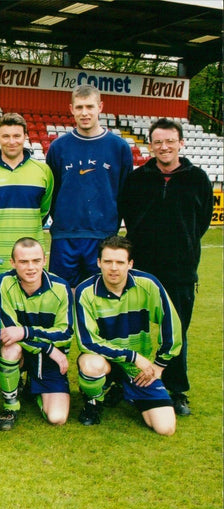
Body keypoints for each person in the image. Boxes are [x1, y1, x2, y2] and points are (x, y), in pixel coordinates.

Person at [118, 118, 214, 416]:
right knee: (134, 329)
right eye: (158, 142)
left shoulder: (198, 178)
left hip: (181, 271)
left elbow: (202, 222)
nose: (164, 147)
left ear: (180, 143)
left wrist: (181, 247)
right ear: (150, 145)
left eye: (170, 141)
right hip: (143, 269)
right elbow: (129, 216)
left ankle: (176, 390)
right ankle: (125, 382)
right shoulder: (137, 178)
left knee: (176, 332)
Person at [74, 235, 181, 435]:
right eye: (107, 261)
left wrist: (159, 365)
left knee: (165, 428)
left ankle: (125, 390)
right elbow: (87, 342)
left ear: (130, 264)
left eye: (120, 262)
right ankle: (93, 401)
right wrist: (133, 356)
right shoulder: (85, 291)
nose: (113, 268)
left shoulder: (148, 284)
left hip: (138, 369)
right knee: (90, 365)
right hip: (106, 361)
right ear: (98, 263)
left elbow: (172, 326)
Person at [46, 85, 133, 288]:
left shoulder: (119, 147)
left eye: (90, 107)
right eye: (79, 107)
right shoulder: (58, 147)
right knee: (63, 296)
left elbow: (125, 193)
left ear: (100, 107)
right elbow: (51, 191)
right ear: (71, 109)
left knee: (99, 297)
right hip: (65, 236)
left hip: (103, 236)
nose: (84, 113)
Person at [0, 238, 73, 430]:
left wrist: (25, 331)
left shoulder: (61, 288)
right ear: (13, 263)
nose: (31, 267)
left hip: (49, 360)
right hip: (33, 352)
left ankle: (34, 387)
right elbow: (7, 333)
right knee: (10, 348)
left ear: (44, 260)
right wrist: (47, 346)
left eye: (36, 261)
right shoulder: (3, 282)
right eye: (23, 262)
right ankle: (11, 404)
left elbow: (65, 333)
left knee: (57, 417)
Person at [0, 112, 53, 292]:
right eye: (6, 136)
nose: (12, 141)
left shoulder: (43, 171)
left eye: (17, 136)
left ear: (25, 137)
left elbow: (44, 209)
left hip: (29, 262)